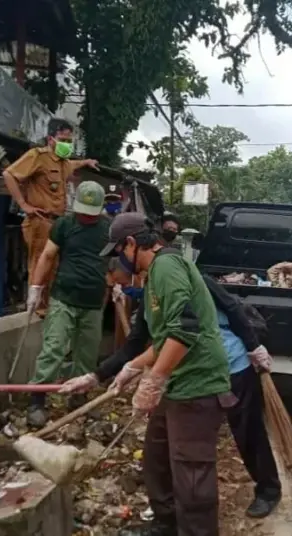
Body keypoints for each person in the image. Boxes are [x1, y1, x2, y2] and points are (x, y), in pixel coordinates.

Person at [70, 254, 283, 520]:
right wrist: (97, 376)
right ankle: (171, 515)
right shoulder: (152, 294)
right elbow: (136, 343)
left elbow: (232, 308)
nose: (117, 286)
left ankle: (268, 490)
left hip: (232, 365)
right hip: (193, 376)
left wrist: (253, 346)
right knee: (176, 448)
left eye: (115, 279)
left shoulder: (185, 277)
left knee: (247, 433)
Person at [93, 212, 235, 536]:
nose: (119, 262)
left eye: (119, 253)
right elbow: (165, 338)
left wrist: (152, 382)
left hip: (198, 387)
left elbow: (184, 330)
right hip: (178, 383)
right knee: (157, 457)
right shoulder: (156, 273)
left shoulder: (167, 267)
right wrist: (133, 368)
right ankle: (166, 524)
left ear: (131, 244)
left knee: (192, 478)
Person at [24, 181, 111, 427]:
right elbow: (48, 255)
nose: (86, 216)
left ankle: (78, 399)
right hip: (64, 297)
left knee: (87, 354)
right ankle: (37, 401)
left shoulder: (108, 229)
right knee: (54, 347)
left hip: (94, 302)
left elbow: (117, 260)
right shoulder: (64, 225)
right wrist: (35, 288)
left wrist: (117, 283)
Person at [3, 118, 100, 317]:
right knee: (39, 262)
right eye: (63, 139)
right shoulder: (37, 156)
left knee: (54, 265)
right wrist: (24, 205)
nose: (67, 144)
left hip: (58, 222)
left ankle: (48, 306)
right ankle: (37, 308)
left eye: (69, 141)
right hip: (40, 220)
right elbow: (9, 174)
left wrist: (86, 162)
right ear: (51, 139)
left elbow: (72, 165)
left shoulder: (63, 162)